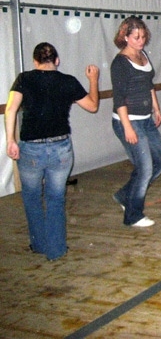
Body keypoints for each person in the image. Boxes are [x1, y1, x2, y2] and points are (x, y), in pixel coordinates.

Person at [4, 43, 99, 260]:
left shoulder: (24, 79)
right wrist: (93, 80)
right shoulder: (68, 81)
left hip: (31, 148)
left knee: (32, 197)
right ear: (57, 61)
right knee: (55, 198)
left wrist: (10, 140)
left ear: (35, 61)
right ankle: (56, 250)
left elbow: (10, 109)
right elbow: (92, 106)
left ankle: (39, 244)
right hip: (60, 148)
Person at [111, 16, 161, 228]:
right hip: (129, 120)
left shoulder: (143, 55)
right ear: (125, 37)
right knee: (145, 169)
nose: (141, 41)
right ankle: (133, 215)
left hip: (145, 120)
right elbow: (119, 99)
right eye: (136, 37)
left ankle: (124, 195)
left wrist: (156, 107)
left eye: (143, 37)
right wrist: (127, 127)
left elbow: (148, 84)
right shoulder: (120, 63)